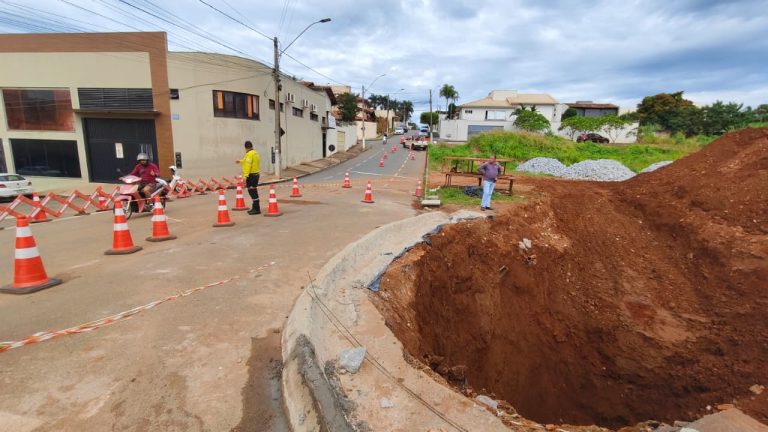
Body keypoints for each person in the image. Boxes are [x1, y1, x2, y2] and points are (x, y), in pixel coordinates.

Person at [236, 140, 261, 215]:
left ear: (246, 148)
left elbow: (248, 165)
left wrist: (245, 177)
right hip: (256, 174)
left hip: (251, 176)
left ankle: (256, 209)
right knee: (253, 191)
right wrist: (240, 161)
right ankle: (255, 207)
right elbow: (246, 161)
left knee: (252, 191)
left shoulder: (249, 154)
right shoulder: (255, 153)